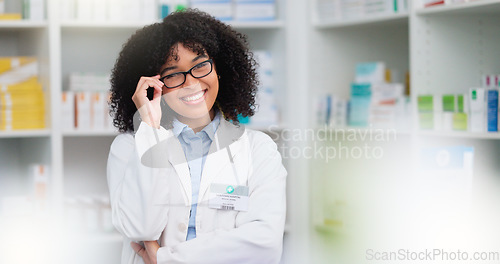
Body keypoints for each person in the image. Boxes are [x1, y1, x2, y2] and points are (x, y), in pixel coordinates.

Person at [107, 9, 287, 264]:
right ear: (155, 85)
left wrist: (166, 259)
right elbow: (141, 228)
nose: (191, 83)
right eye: (172, 74)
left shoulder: (258, 149)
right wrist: (149, 126)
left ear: (219, 68)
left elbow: (264, 244)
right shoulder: (129, 147)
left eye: (200, 65)